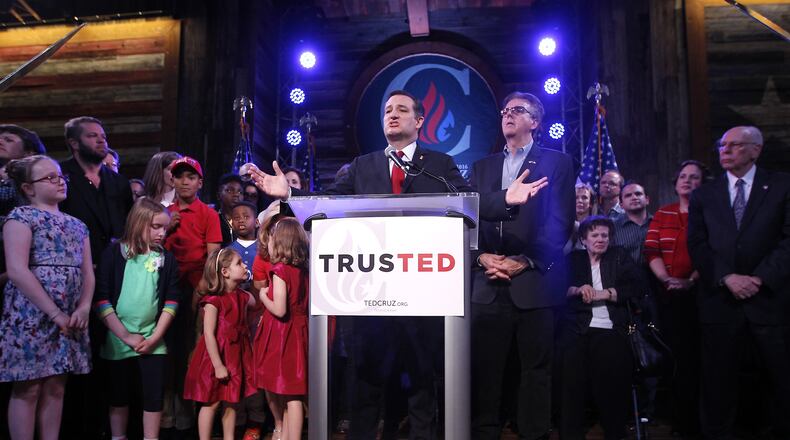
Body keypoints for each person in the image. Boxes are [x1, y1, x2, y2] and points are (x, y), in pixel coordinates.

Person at [250, 89, 543, 439]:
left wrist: (504, 200)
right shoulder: (362, 166)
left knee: (422, 391)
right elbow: (326, 204)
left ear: (419, 121)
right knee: (364, 393)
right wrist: (291, 195)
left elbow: (470, 201)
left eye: (402, 110)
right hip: (367, 301)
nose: (392, 114)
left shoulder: (439, 165)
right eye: (387, 109)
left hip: (423, 301)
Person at [468, 91, 572, 440]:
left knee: (535, 374)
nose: (508, 115)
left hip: (532, 284)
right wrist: (481, 257)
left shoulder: (557, 163)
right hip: (487, 284)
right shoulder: (482, 167)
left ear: (535, 122)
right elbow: (469, 220)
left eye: (518, 110)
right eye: (505, 110)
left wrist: (525, 260)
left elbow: (561, 221)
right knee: (486, 374)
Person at [688, 126, 790, 440]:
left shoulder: (782, 185)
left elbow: (788, 239)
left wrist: (760, 278)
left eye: (735, 145)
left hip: (769, 302)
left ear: (755, 150)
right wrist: (727, 277)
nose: (725, 150)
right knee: (718, 384)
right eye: (722, 145)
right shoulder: (704, 194)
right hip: (720, 302)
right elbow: (698, 244)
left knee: (779, 381)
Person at [0, 155, 93, 439]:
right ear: (28, 188)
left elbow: (87, 272)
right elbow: (17, 270)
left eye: (60, 176)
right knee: (28, 386)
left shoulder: (77, 224)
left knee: (56, 384)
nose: (59, 181)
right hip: (32, 312)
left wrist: (84, 307)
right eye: (49, 178)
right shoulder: (21, 217)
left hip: (70, 312)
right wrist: (54, 313)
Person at [94, 198, 181, 440]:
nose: (162, 233)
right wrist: (125, 336)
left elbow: (171, 301)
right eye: (155, 227)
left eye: (164, 228)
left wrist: (155, 337)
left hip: (154, 340)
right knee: (118, 396)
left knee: (153, 397)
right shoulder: (114, 254)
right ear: (138, 223)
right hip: (118, 339)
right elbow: (101, 300)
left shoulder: (167, 259)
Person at [559, 216, 642, 440]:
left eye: (604, 235)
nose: (600, 239)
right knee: (571, 380)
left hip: (611, 328)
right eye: (594, 235)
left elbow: (636, 287)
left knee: (613, 381)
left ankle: (615, 431)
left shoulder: (619, 256)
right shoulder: (574, 259)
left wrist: (606, 293)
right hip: (578, 328)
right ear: (584, 239)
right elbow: (558, 289)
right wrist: (578, 290)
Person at [643, 160, 709, 437]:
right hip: (666, 295)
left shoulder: (708, 214)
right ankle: (677, 421)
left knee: (698, 360)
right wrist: (667, 280)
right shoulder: (664, 213)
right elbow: (652, 249)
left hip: (700, 294)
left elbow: (710, 252)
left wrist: (690, 280)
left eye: (694, 177)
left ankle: (697, 422)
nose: (687, 180)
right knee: (674, 360)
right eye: (683, 176)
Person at [184, 248, 257, 440]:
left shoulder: (242, 296)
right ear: (224, 272)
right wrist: (217, 365)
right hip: (216, 355)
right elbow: (208, 333)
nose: (245, 265)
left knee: (232, 401)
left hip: (235, 355)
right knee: (212, 403)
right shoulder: (213, 301)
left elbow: (253, 301)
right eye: (239, 263)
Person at [254, 217, 310, 440]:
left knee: (291, 394)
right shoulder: (303, 269)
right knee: (291, 393)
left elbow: (278, 309)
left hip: (284, 334)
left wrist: (261, 295)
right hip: (299, 331)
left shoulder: (280, 270)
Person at [59, 116, 134, 267]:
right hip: (75, 264)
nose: (101, 141)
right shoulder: (61, 176)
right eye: (92, 136)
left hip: (116, 265)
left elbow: (129, 222)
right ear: (74, 143)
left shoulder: (119, 182)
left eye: (103, 136)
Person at [565, 183, 596, 253]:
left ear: (591, 203)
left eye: (584, 197)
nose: (580, 201)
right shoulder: (564, 225)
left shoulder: (597, 226)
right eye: (576, 197)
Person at [216, 173, 244, 247]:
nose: (236, 195)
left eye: (240, 192)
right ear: (219, 195)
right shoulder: (213, 219)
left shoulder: (247, 220)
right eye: (230, 190)